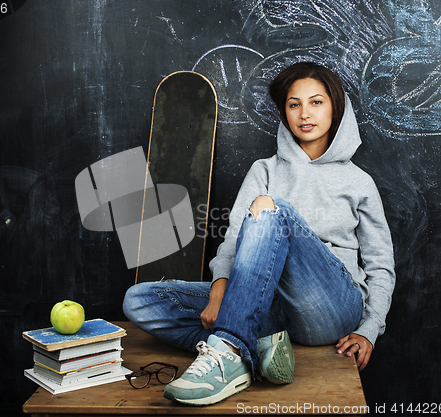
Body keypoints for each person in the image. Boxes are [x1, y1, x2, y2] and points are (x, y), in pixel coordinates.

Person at [122, 62, 395, 406]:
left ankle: (230, 353)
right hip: (268, 308)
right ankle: (259, 349)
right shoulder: (263, 170)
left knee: (270, 209)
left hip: (330, 311)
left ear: (336, 108)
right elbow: (235, 239)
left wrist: (368, 329)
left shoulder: (359, 183)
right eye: (294, 104)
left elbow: (381, 265)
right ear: (284, 112)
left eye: (316, 102)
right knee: (141, 301)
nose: (304, 113)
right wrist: (220, 289)